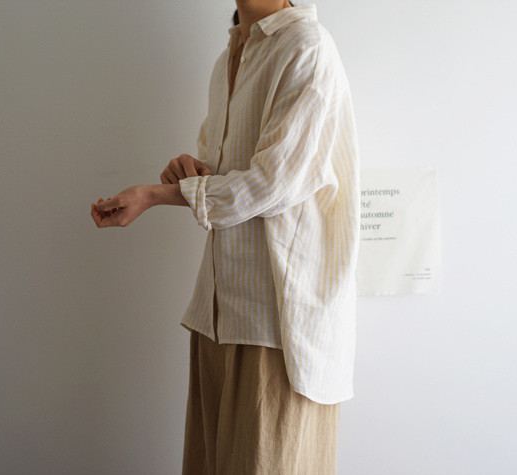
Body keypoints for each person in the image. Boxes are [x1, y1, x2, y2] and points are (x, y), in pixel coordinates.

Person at [90, 1, 359, 473]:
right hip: (216, 314)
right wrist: (189, 173)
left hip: (278, 323)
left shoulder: (307, 47)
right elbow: (229, 178)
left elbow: (272, 184)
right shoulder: (226, 60)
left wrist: (157, 195)